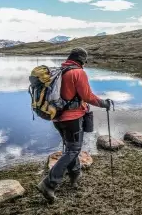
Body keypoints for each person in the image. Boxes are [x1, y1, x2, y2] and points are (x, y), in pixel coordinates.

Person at [37, 47, 111, 202]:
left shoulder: (59, 71)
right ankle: (49, 184)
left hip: (57, 118)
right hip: (73, 118)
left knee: (71, 148)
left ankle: (75, 175)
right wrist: (104, 103)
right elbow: (87, 96)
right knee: (73, 149)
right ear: (82, 61)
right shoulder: (78, 73)